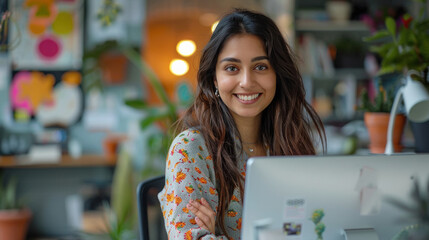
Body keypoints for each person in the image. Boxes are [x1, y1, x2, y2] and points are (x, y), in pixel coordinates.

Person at [158, 8, 326, 240]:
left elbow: (314, 226)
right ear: (214, 79)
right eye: (232, 68)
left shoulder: (291, 142)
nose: (247, 82)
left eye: (260, 67)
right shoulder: (190, 149)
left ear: (277, 74)